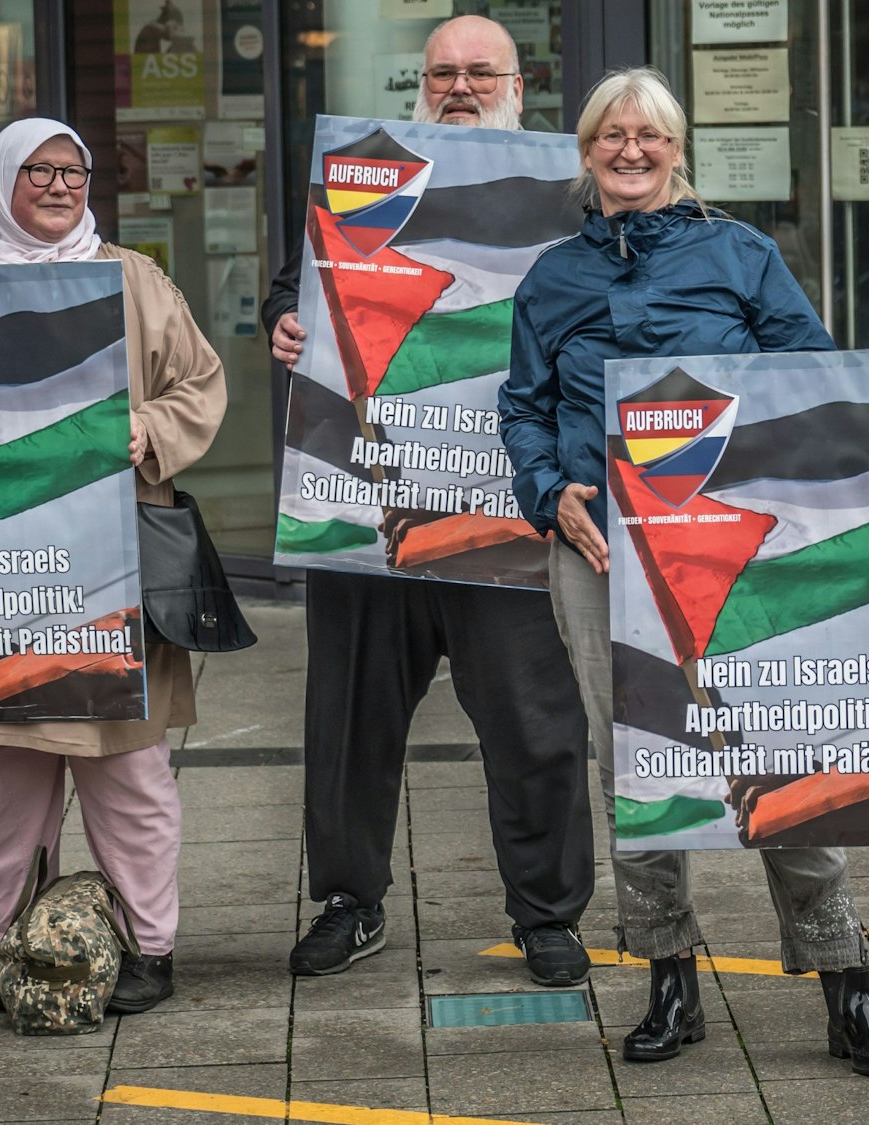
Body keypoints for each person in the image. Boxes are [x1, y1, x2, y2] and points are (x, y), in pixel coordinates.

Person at [499, 67, 869, 1073]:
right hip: (599, 552)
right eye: (611, 135)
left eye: (650, 135)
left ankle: (844, 978)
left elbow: (820, 386)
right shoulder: (550, 278)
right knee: (636, 769)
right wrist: (548, 490)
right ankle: (668, 977)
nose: (630, 150)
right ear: (586, 152)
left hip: (735, 552)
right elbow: (523, 406)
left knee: (777, 748)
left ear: (678, 149)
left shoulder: (741, 255)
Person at [263, 14, 596, 985]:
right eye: (444, 72)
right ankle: (348, 900)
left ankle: (547, 915)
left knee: (534, 722)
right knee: (349, 720)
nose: (459, 86)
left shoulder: (567, 193)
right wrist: (285, 321)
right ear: (421, 83)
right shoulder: (363, 175)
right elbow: (296, 289)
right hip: (367, 503)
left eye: (480, 72)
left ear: (517, 86)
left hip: (506, 505)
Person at [0, 118, 226, 1017]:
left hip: (109, 573)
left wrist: (147, 429)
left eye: (73, 170)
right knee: (1, 784)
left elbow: (200, 384)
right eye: (38, 171)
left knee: (128, 777)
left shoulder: (133, 279)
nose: (59, 185)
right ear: (1, 179)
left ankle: (149, 947)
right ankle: (17, 946)